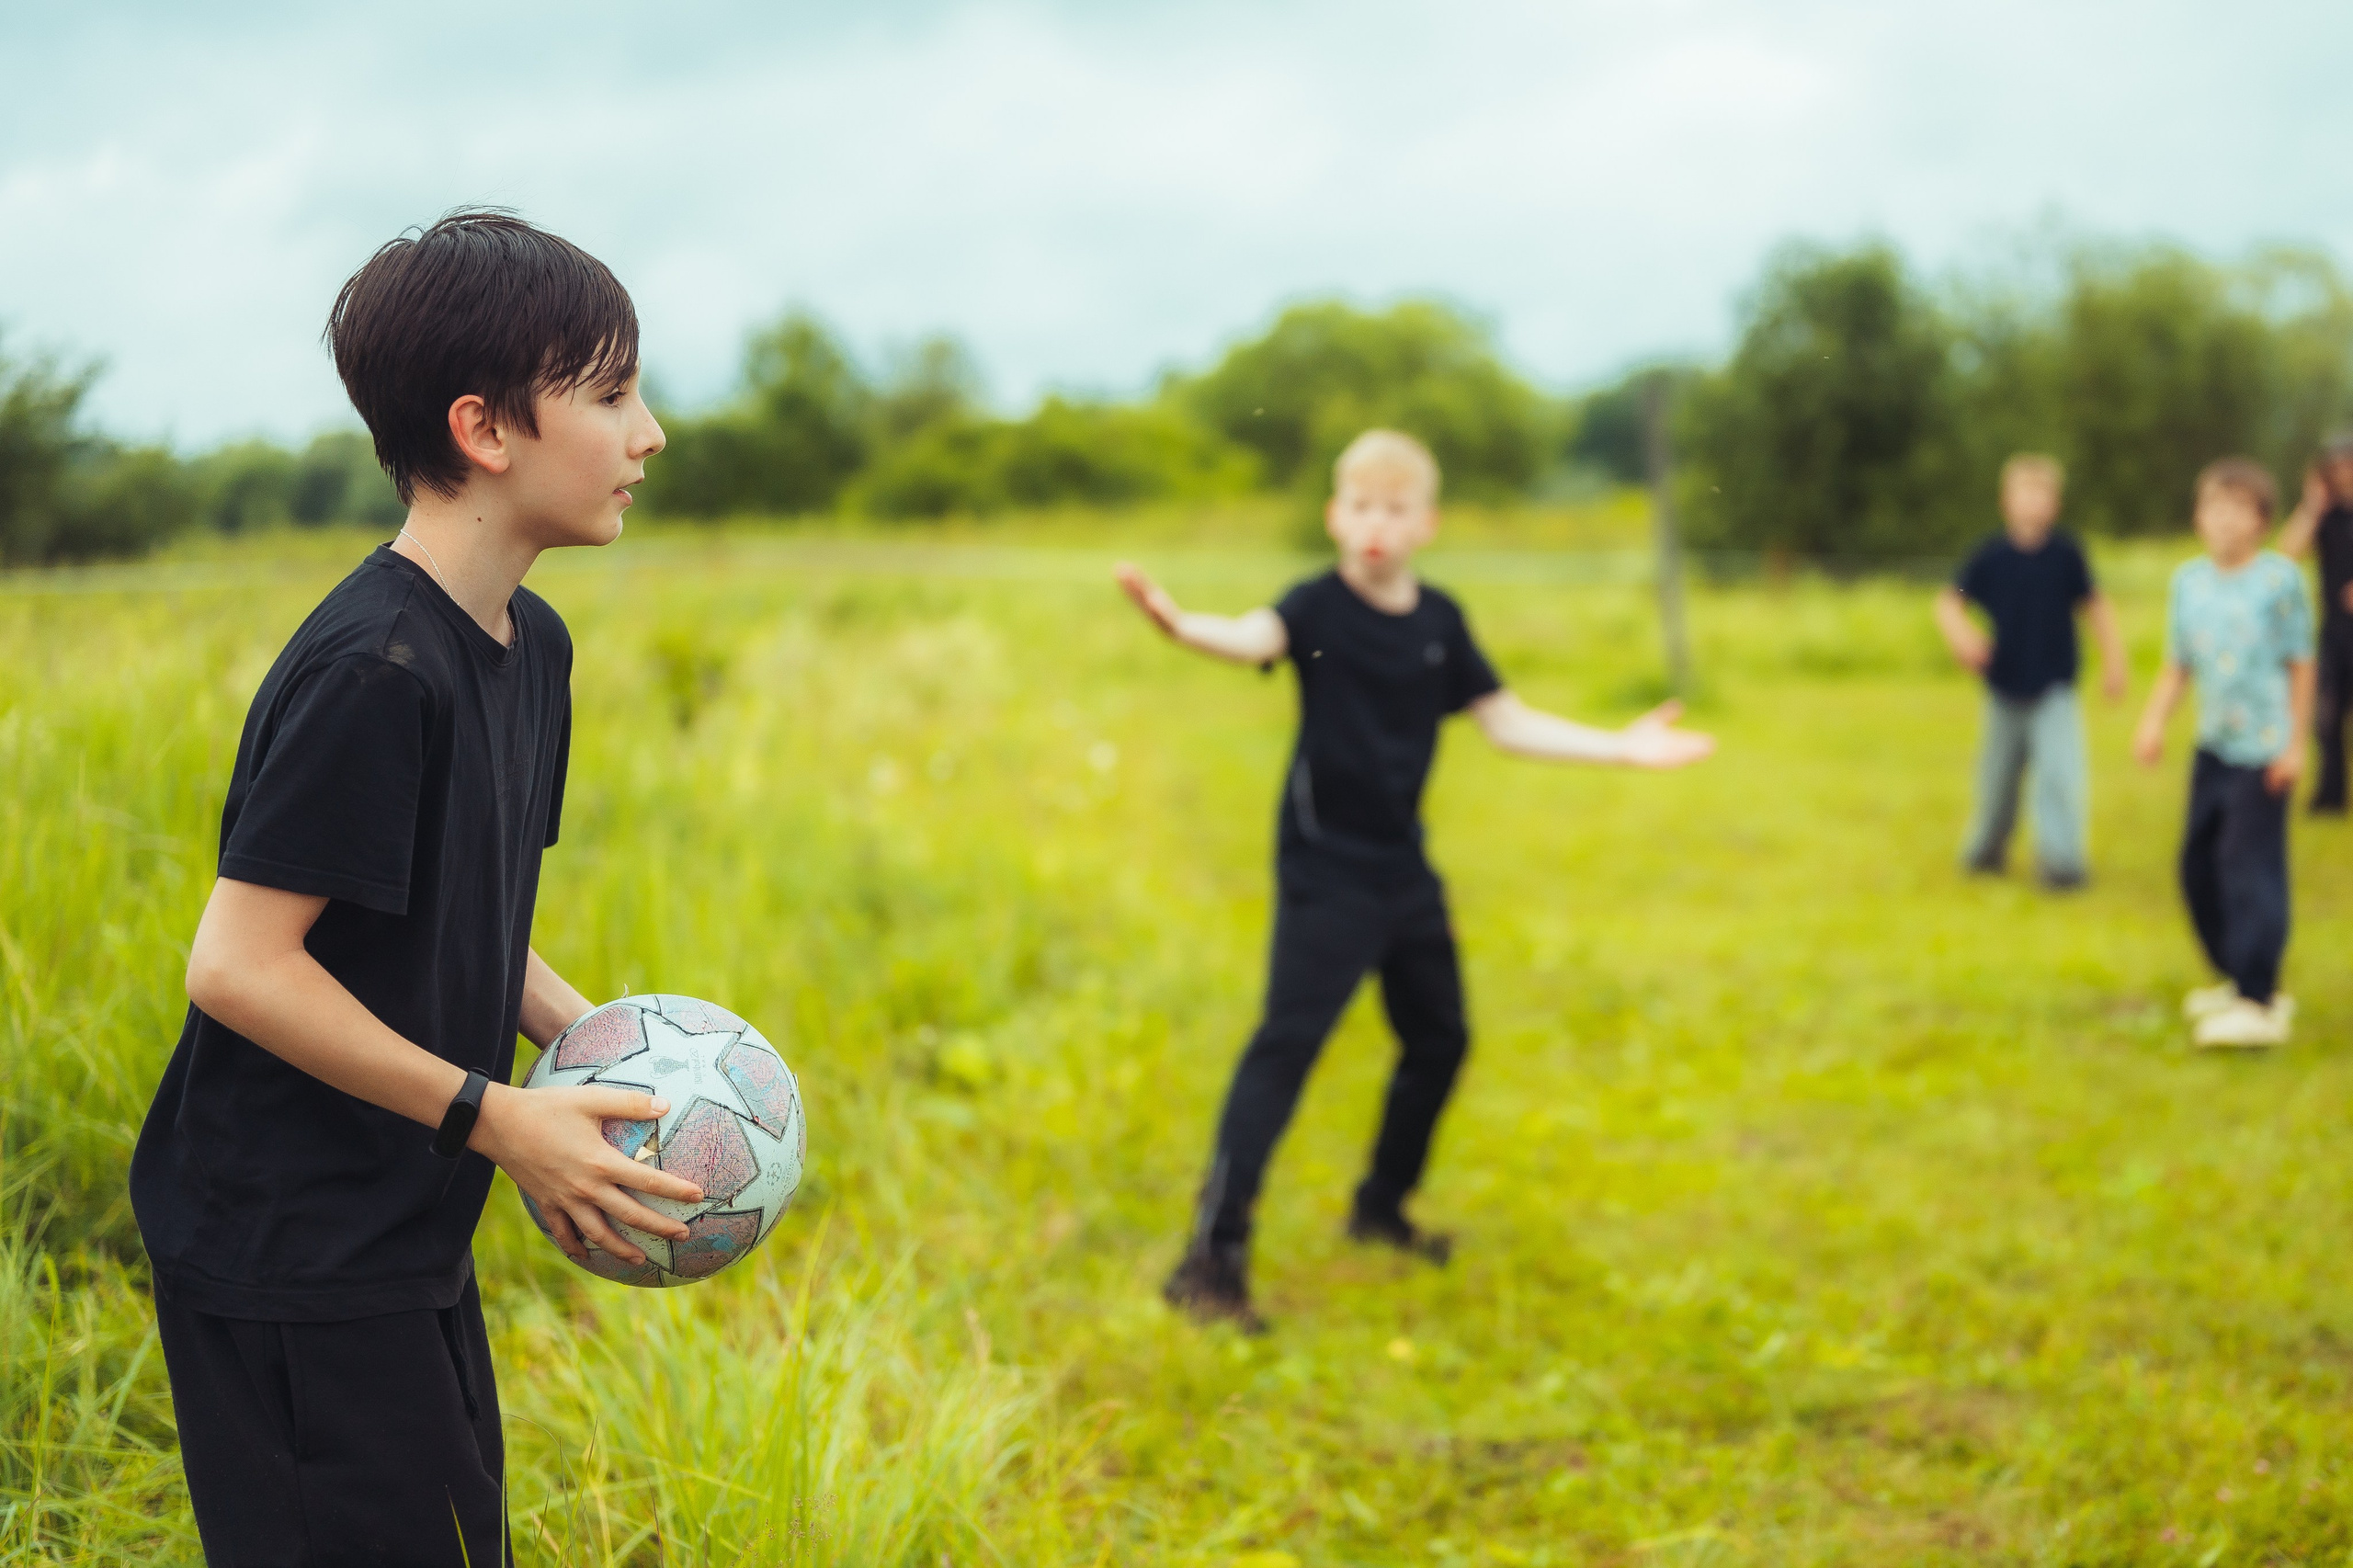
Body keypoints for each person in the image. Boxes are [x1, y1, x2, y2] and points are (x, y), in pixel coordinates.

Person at [128, 210, 695, 1564]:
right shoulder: (375, 671)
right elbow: (239, 965)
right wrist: (500, 1116)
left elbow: (462, 919)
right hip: (287, 1245)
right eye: (613, 395)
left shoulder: (529, 645)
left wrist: (595, 1043)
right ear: (485, 430)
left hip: (403, 1213)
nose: (650, 432)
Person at [1114, 429, 1713, 1331]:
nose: (1375, 523)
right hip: (1324, 869)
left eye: (1394, 508)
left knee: (1441, 1038)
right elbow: (1250, 637)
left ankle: (1380, 1206)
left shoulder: (1439, 621)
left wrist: (1621, 749)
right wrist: (1178, 624)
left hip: (1403, 868)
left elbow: (1504, 722)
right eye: (1359, 505)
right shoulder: (1313, 608)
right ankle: (1210, 1260)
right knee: (1287, 1046)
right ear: (1335, 515)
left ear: (1424, 522)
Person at [2132, 457, 2316, 1050]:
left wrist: (2295, 744)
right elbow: (2176, 664)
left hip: (2263, 753)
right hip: (2212, 748)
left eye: (2239, 509)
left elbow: (2302, 666)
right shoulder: (2189, 582)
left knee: (2249, 869)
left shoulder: (2280, 582)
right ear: (2197, 516)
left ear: (2262, 521)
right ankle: (2237, 974)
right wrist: (2154, 722)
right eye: (2215, 508)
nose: (2225, 521)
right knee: (2197, 867)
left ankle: (2259, 1001)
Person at [1932, 454, 2127, 888]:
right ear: (2006, 501)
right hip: (2003, 689)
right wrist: (1961, 634)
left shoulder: (2066, 555)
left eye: (2042, 494)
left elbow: (2095, 606)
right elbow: (1949, 600)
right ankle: (1985, 855)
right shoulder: (1989, 557)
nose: (2033, 503)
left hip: (2054, 687)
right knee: (1997, 781)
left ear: (2055, 504)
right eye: (2025, 493)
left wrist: (2114, 661)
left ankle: (2061, 866)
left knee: (2058, 776)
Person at [2274, 432, 2353, 813]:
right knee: (2327, 717)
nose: (2343, 475)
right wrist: (2311, 506)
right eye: (2335, 468)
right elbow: (2286, 555)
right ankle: (2331, 796)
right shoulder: (2327, 516)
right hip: (2335, 631)